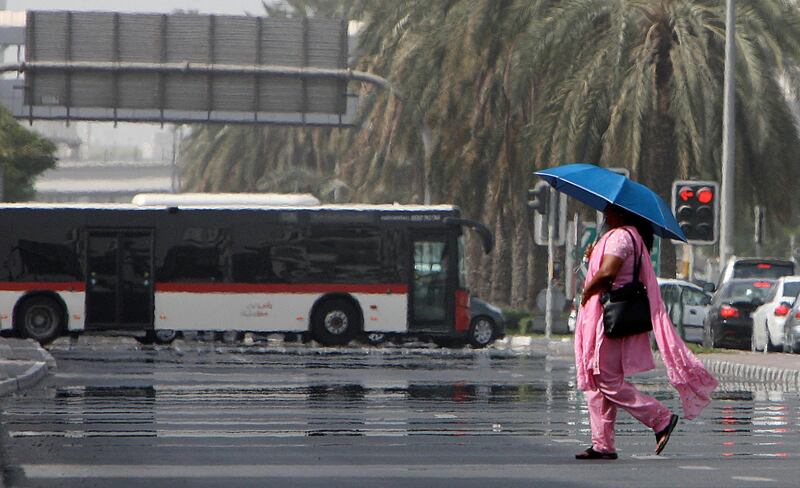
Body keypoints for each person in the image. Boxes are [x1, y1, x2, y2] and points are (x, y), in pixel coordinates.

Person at [573, 205, 718, 460]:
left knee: (606, 380)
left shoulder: (620, 237)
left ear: (622, 213)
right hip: (610, 316)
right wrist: (592, 257)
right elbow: (607, 267)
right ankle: (603, 444)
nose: (605, 215)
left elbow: (608, 273)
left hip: (608, 318)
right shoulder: (626, 237)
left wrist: (587, 291)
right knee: (598, 383)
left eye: (609, 211)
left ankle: (659, 418)